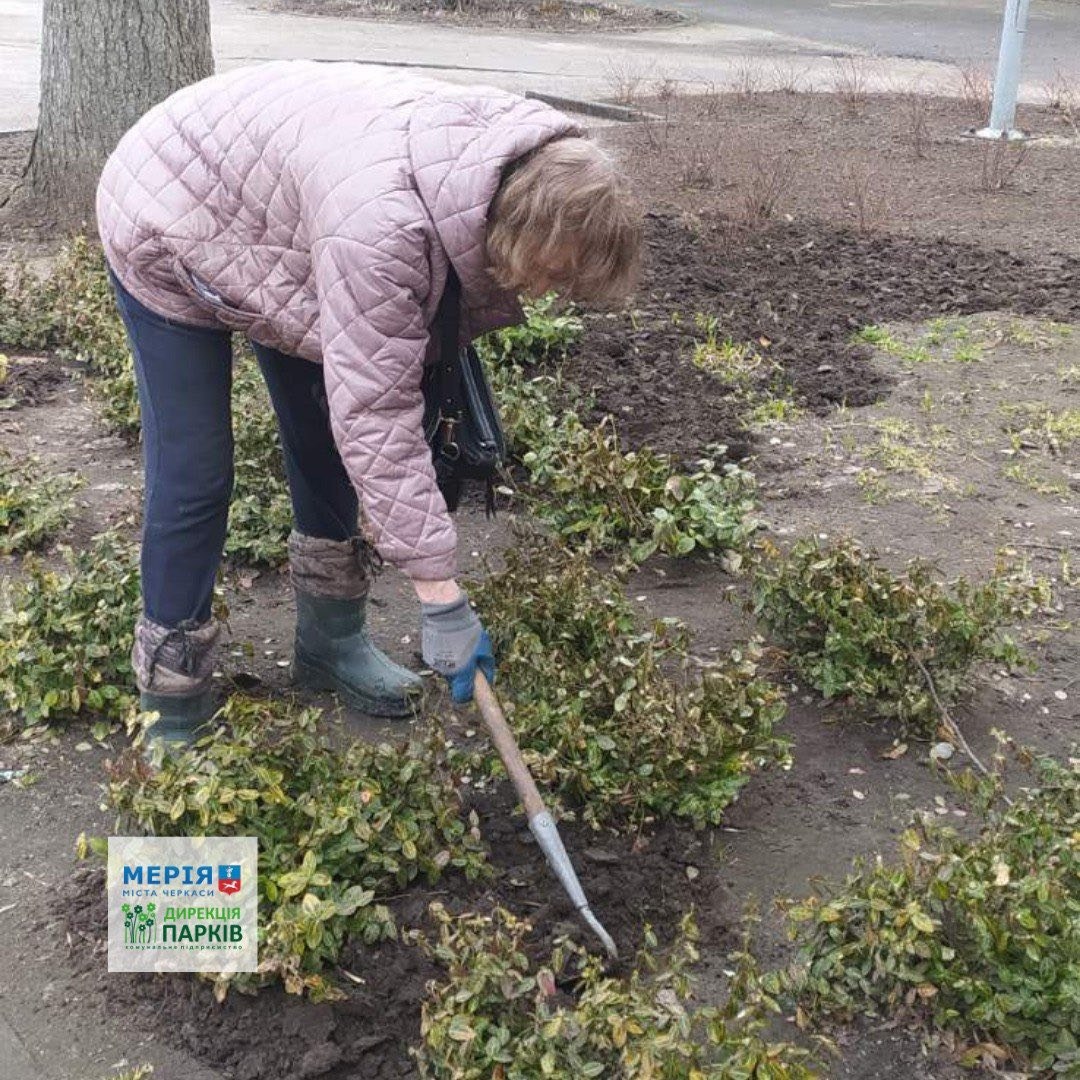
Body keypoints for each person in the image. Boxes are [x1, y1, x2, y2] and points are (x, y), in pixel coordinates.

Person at [96, 60, 641, 748]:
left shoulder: (510, 160)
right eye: (553, 275)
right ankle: (172, 701)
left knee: (324, 436)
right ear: (519, 231)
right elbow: (378, 418)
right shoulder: (384, 232)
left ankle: (330, 642)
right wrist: (440, 596)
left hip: (293, 215)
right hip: (172, 204)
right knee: (196, 470)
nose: (550, 293)